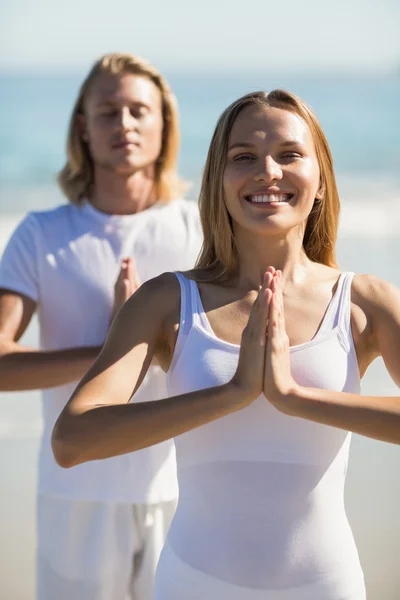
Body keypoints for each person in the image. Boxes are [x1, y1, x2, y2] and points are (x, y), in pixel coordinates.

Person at [52, 89, 400, 600]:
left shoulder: (364, 301)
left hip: (326, 587)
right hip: (193, 584)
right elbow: (72, 439)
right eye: (243, 158)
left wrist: (295, 398)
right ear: (220, 180)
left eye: (289, 154)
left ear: (321, 179)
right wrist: (231, 393)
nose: (268, 172)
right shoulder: (167, 301)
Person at [0, 53, 202, 600]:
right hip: (76, 490)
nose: (126, 124)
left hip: (187, 487)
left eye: (140, 110)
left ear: (164, 126)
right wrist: (117, 347)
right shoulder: (41, 235)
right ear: (82, 128)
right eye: (108, 112)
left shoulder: (203, 228)